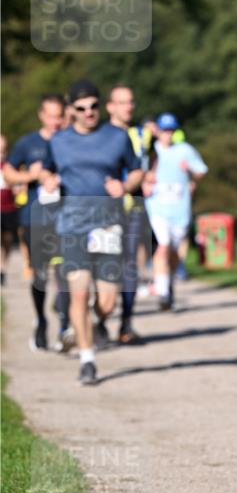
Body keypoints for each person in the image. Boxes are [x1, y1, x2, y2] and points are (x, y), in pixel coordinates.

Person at [40, 80, 143, 384]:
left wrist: (124, 186)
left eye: (93, 107)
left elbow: (138, 169)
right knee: (79, 293)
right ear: (71, 110)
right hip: (72, 225)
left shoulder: (117, 137)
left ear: (100, 106)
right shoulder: (59, 141)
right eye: (81, 108)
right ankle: (87, 360)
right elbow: (46, 168)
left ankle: (89, 323)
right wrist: (47, 180)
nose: (88, 113)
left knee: (108, 302)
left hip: (108, 224)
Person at [2, 95, 72, 351]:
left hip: (66, 216)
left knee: (66, 271)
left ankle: (66, 326)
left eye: (59, 116)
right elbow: (8, 173)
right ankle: (41, 320)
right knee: (41, 274)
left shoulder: (70, 140)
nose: (56, 121)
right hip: (35, 216)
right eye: (51, 116)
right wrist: (31, 175)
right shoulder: (28, 143)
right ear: (41, 115)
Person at [143, 112, 207, 310]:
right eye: (164, 131)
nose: (167, 135)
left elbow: (201, 171)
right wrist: (146, 180)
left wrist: (191, 173)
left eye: (171, 131)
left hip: (180, 210)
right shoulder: (151, 152)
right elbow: (138, 174)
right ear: (158, 132)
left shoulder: (185, 150)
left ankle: (168, 283)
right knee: (162, 246)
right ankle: (162, 292)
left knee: (173, 252)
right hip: (157, 208)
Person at [106, 85, 153, 344]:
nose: (129, 107)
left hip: (134, 205)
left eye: (131, 102)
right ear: (110, 106)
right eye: (122, 102)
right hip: (105, 208)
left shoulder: (141, 134)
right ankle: (101, 317)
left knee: (130, 266)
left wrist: (151, 175)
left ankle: (125, 324)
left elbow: (150, 160)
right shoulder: (100, 135)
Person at [0, 135, 19, 285]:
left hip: (9, 208)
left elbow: (18, 185)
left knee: (7, 239)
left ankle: (3, 266)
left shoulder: (10, 165)